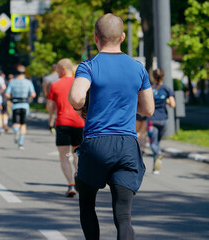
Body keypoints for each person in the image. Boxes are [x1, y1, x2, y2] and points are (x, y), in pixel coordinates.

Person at [69, 13, 154, 240]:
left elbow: (77, 98)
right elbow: (148, 110)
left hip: (97, 144)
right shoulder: (138, 68)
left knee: (87, 204)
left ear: (96, 38)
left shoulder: (89, 66)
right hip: (127, 145)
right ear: (123, 36)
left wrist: (84, 108)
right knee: (124, 215)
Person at [46, 58, 85, 198]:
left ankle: (71, 185)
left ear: (63, 69)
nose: (56, 72)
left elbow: (50, 108)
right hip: (80, 124)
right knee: (77, 153)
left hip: (63, 123)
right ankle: (78, 175)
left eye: (57, 69)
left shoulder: (55, 85)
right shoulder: (80, 83)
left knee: (64, 156)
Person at [147, 68, 176, 174]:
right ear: (163, 77)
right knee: (157, 142)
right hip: (163, 120)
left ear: (153, 77)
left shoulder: (149, 88)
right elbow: (173, 105)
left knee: (153, 144)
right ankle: (156, 167)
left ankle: (158, 154)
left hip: (151, 120)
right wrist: (166, 100)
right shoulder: (167, 89)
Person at [5, 65, 36, 150]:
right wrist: (28, 98)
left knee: (15, 123)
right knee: (23, 124)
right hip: (25, 105)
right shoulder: (28, 82)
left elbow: (7, 94)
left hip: (15, 105)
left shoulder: (12, 82)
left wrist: (11, 98)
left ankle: (16, 131)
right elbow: (33, 94)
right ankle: (21, 144)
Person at [43, 64, 59, 133]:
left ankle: (51, 127)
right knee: (58, 112)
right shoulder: (60, 77)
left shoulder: (47, 78)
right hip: (59, 96)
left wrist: (46, 95)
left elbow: (44, 88)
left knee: (51, 113)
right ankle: (57, 125)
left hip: (50, 97)